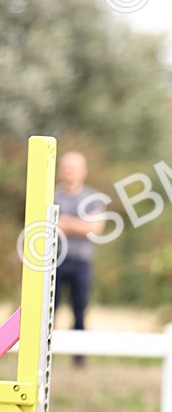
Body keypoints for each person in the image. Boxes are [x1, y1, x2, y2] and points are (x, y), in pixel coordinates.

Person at [54, 151, 106, 363]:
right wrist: (80, 225)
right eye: (66, 167)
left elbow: (96, 227)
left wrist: (65, 223)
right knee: (49, 312)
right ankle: (48, 357)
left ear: (83, 171)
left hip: (81, 262)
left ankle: (79, 360)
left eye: (74, 168)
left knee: (79, 310)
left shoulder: (92, 198)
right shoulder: (50, 195)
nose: (70, 172)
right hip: (53, 262)